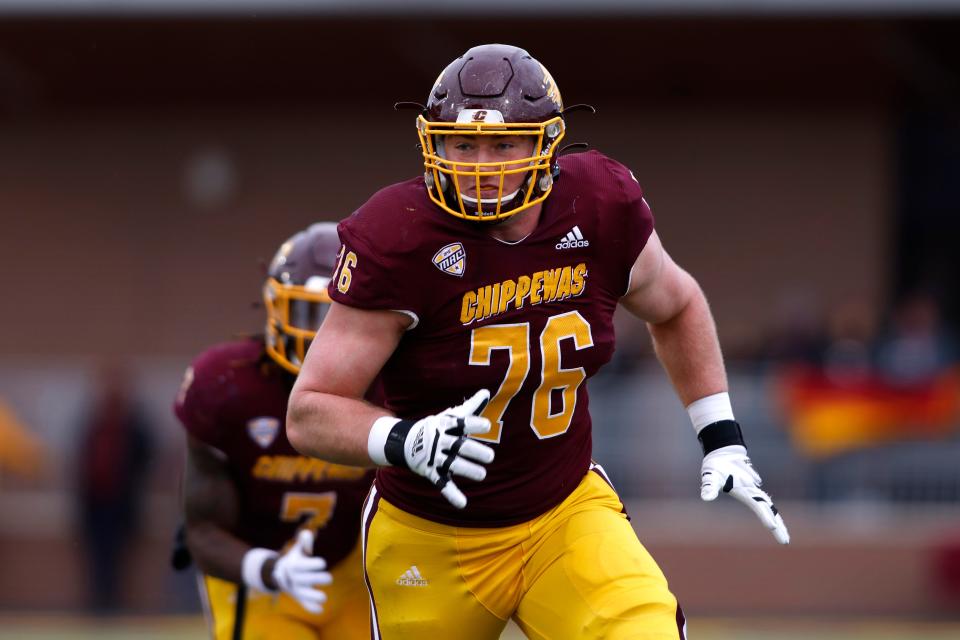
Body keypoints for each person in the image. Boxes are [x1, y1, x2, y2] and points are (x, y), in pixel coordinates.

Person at [287, 44, 789, 640]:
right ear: (434, 145)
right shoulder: (398, 235)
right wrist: (400, 438)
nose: (481, 165)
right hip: (430, 533)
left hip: (563, 514)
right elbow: (309, 411)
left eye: (504, 145)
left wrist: (721, 437)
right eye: (463, 145)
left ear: (545, 145)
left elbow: (676, 304)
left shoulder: (598, 204)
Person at [174, 223, 373, 640]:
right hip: (259, 572)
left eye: (335, 317)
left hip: (358, 567)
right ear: (276, 308)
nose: (321, 337)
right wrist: (266, 569)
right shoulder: (226, 386)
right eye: (308, 314)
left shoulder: (393, 380)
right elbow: (203, 530)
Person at [76, 361, 153, 613]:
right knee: (96, 554)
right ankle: (98, 602)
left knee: (119, 554)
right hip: (95, 501)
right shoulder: (92, 420)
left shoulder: (134, 423)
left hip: (121, 501)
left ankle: (114, 603)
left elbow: (145, 458)